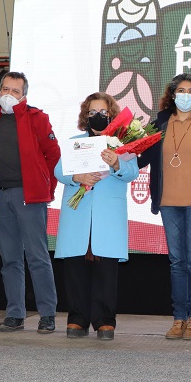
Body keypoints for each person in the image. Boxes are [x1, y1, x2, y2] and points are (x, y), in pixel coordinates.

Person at [137, 73, 191, 340]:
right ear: (172, 95)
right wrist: (120, 148)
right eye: (180, 90)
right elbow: (142, 160)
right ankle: (179, 318)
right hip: (167, 202)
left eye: (190, 90)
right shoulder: (158, 123)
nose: (185, 95)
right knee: (176, 262)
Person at [54, 92, 139, 340]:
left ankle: (105, 321)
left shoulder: (121, 144)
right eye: (92, 113)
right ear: (85, 115)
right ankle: (77, 319)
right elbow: (59, 170)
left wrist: (116, 163)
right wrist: (76, 177)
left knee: (106, 270)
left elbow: (131, 172)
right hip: (78, 213)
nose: (98, 116)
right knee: (75, 267)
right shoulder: (74, 141)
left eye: (103, 112)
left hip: (107, 215)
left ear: (111, 114)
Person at [0, 72, 60, 334]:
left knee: (38, 257)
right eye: (5, 89)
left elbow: (53, 155)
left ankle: (47, 314)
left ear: (24, 95)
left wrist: (45, 189)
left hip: (29, 197)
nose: (8, 94)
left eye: (15, 91)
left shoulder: (37, 118)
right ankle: (15, 313)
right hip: (0, 195)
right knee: (10, 260)